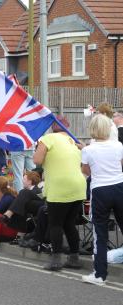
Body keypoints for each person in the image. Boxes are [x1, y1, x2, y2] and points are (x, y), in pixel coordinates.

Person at [33, 116, 86, 271]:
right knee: (69, 223)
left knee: (55, 224)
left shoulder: (48, 138)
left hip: (59, 186)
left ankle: (56, 260)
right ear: (67, 126)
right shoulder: (73, 141)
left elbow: (37, 160)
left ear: (52, 127)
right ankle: (74, 258)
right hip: (78, 186)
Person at [81, 114, 123, 285]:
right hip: (120, 186)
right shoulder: (118, 145)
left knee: (100, 233)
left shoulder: (88, 150)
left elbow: (86, 170)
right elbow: (120, 165)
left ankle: (99, 274)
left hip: (100, 190)